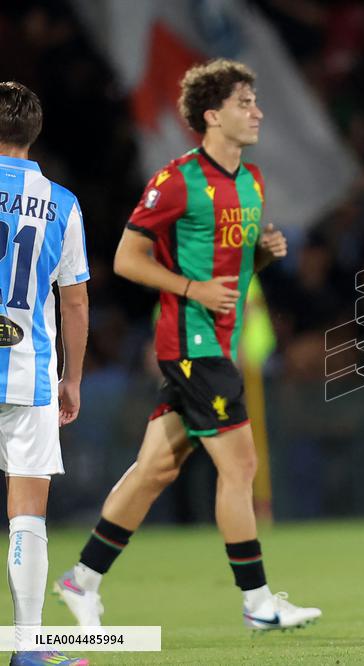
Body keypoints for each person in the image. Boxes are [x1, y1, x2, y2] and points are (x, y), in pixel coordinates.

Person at [52, 60, 321, 631]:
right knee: (241, 465)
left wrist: (264, 256)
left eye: (255, 101)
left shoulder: (251, 181)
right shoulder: (176, 180)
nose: (258, 112)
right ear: (212, 114)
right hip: (190, 342)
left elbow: (234, 272)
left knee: (154, 468)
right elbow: (127, 259)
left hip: (217, 343)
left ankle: (83, 579)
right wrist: (190, 286)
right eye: (245, 102)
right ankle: (257, 603)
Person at [0, 81, 90, 666]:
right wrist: (73, 379)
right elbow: (76, 302)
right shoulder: (61, 202)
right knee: (27, 509)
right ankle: (30, 650)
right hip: (29, 373)